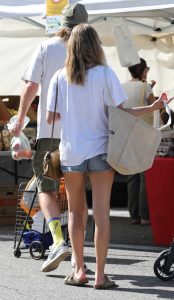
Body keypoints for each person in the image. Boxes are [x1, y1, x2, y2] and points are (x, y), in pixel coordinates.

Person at [46, 24, 166, 288]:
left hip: (71, 152)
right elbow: (122, 111)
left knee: (76, 214)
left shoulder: (59, 77)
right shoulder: (105, 74)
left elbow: (50, 117)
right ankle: (100, 275)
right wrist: (153, 106)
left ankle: (79, 271)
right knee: (102, 213)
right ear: (95, 46)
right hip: (102, 149)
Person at [9, 3, 88, 273]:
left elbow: (30, 85)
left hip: (50, 134)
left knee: (47, 189)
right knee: (78, 198)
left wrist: (20, 119)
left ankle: (57, 241)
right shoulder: (90, 53)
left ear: (62, 22)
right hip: (81, 136)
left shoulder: (46, 47)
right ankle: (79, 260)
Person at [122, 58, 157, 225]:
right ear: (142, 70)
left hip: (127, 133)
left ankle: (134, 214)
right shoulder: (145, 86)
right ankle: (145, 216)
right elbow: (155, 105)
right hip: (143, 134)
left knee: (132, 175)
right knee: (144, 175)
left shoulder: (123, 86)